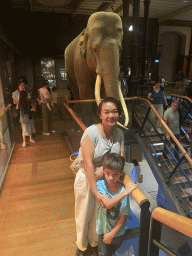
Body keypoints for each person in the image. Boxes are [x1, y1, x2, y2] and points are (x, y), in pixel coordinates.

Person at [74, 97, 137, 256]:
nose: (111, 115)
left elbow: (120, 159)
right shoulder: (91, 132)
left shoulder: (119, 134)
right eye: (107, 112)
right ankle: (81, 247)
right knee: (83, 213)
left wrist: (103, 169)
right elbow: (88, 163)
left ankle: (94, 243)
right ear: (100, 115)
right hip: (87, 178)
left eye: (114, 112)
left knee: (98, 214)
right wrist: (95, 191)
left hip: (105, 179)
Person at [96, 153, 136, 256]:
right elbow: (107, 204)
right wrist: (125, 192)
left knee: (114, 251)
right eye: (107, 173)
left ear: (120, 174)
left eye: (115, 174)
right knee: (103, 253)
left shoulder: (123, 191)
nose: (110, 178)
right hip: (102, 229)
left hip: (117, 233)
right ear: (103, 171)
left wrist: (112, 234)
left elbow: (123, 218)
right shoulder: (101, 184)